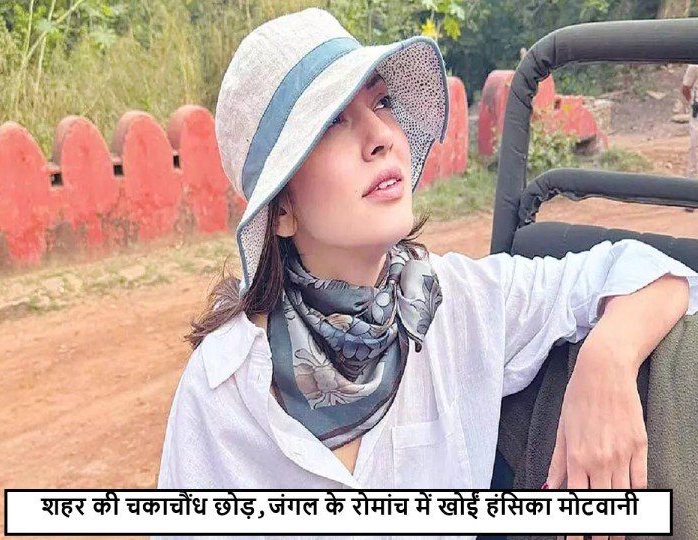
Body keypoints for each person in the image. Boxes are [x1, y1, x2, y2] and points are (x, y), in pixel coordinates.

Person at [155, 9, 698, 540]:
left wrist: (607, 361)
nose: (381, 135)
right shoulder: (223, 390)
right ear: (282, 211)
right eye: (333, 121)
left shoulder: (461, 304)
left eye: (382, 103)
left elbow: (652, 271)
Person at [683, 64, 698, 178]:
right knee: (695, 143)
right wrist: (693, 104)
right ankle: (692, 176)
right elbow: (685, 88)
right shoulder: (694, 65)